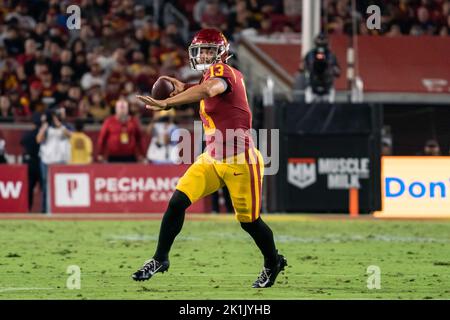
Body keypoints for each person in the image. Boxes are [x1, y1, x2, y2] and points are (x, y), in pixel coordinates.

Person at [134, 28, 287, 288]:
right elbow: (203, 88)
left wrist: (168, 103)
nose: (204, 54)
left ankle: (273, 262)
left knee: (249, 222)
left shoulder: (224, 73)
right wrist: (181, 87)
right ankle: (160, 258)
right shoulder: (210, 76)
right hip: (213, 157)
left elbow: (209, 90)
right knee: (177, 202)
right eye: (201, 50)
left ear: (222, 52)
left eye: (209, 49)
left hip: (240, 160)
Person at [36, 108, 72, 213]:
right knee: (46, 186)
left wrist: (60, 125)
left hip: (61, 160)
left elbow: (71, 136)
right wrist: (44, 128)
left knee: (62, 185)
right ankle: (45, 209)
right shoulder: (47, 127)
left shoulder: (66, 126)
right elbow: (38, 139)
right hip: (47, 160)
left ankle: (61, 209)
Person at [303, 34, 341, 103]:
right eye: (320, 40)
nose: (321, 42)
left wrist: (331, 68)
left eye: (323, 40)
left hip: (327, 86)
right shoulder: (310, 54)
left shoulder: (331, 55)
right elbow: (304, 67)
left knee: (331, 99)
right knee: (308, 95)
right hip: (313, 86)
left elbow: (337, 71)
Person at [20, 113, 42, 211]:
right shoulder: (42, 134)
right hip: (40, 162)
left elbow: (22, 142)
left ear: (33, 124)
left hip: (30, 163)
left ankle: (28, 208)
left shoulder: (28, 134)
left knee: (29, 187)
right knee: (44, 187)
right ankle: (46, 209)